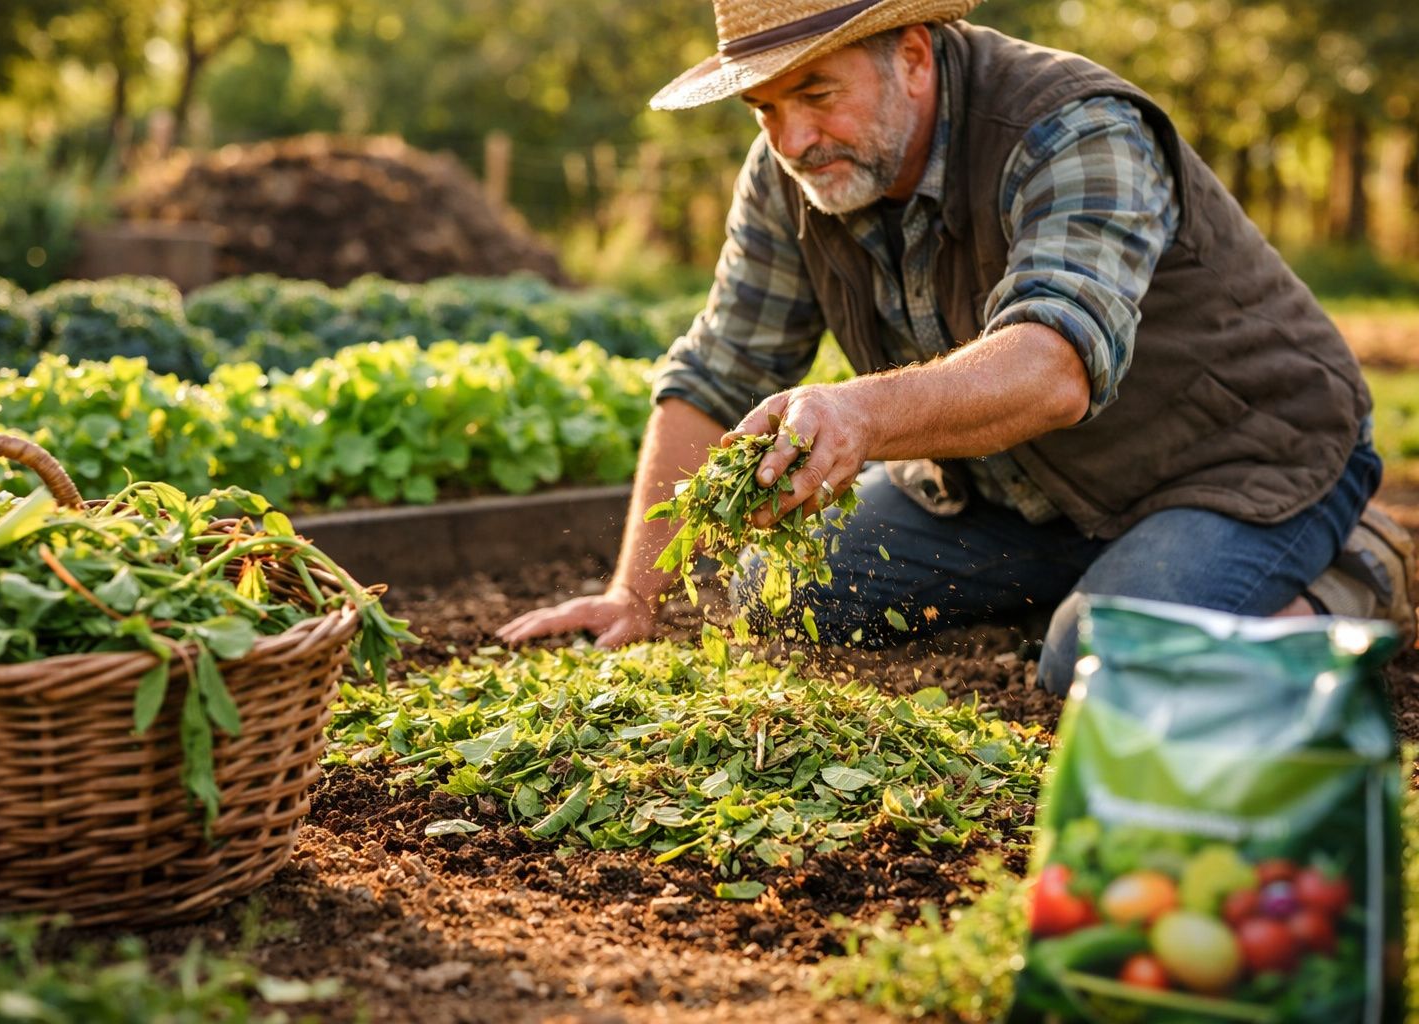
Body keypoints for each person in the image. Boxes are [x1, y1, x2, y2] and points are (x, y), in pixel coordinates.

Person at [499, 0, 1414, 692]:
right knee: (775, 592)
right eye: (763, 110)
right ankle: (1120, 584)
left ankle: (1357, 564)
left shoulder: (1071, 128)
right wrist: (636, 594)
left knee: (1095, 665)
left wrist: (861, 413)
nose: (793, 139)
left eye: (816, 93)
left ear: (911, 54)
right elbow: (718, 369)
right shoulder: (790, 175)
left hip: (1240, 462)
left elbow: (1054, 365)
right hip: (1020, 491)